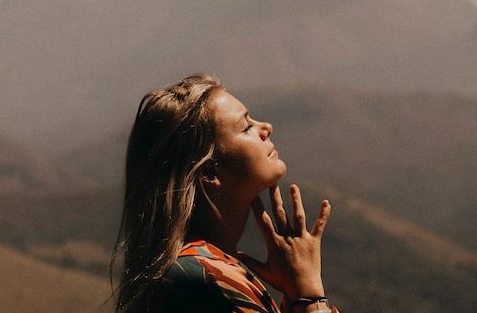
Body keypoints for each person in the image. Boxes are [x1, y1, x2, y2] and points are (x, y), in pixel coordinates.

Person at [114, 74, 339, 313]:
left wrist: (295, 295)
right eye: (246, 127)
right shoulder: (207, 284)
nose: (266, 128)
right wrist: (309, 292)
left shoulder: (199, 273)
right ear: (210, 172)